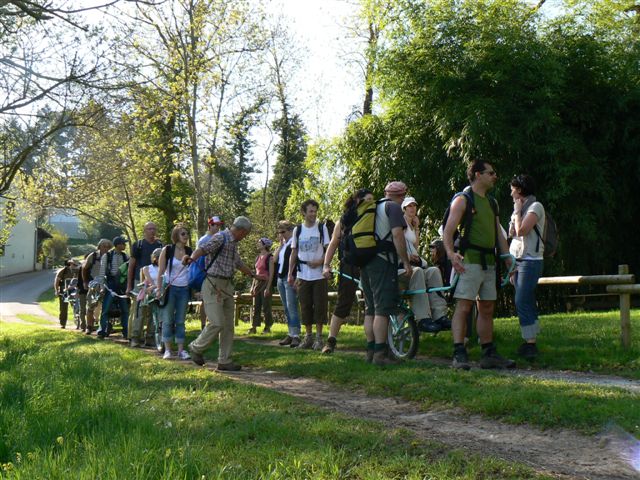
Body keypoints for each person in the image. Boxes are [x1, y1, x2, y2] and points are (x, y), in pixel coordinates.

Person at [443, 160, 515, 370]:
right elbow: (448, 232)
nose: (495, 176)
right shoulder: (463, 200)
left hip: (489, 262)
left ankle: (488, 353)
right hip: (469, 261)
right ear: (477, 174)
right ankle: (459, 352)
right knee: (464, 306)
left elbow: (498, 234)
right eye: (491, 173)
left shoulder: (492, 203)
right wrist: (451, 254)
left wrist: (507, 256)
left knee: (487, 307)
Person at [185, 216, 255, 371]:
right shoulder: (220, 237)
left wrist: (253, 274)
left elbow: (238, 263)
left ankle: (225, 360)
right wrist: (191, 259)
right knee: (217, 322)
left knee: (228, 326)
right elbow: (202, 249)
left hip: (227, 286)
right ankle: (196, 348)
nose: (245, 237)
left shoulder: (233, 244)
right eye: (246, 234)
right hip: (213, 284)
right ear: (242, 231)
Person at [361, 181, 413, 366]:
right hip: (382, 262)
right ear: (401, 195)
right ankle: (380, 355)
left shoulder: (373, 207)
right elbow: (397, 235)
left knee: (371, 310)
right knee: (382, 310)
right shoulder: (393, 208)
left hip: (365, 261)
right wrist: (405, 262)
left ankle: (370, 351)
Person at [321, 189, 374, 354]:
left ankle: (373, 344)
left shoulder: (374, 218)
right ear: (357, 201)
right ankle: (330, 341)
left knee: (371, 304)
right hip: (349, 265)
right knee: (344, 302)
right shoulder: (343, 221)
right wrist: (326, 265)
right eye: (367, 200)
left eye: (373, 200)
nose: (371, 203)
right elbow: (333, 244)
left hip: (369, 264)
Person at [509, 174, 545, 360]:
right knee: (526, 300)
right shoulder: (520, 208)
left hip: (531, 261)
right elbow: (512, 232)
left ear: (520, 190)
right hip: (517, 260)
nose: (511, 192)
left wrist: (516, 212)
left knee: (521, 300)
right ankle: (531, 341)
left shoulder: (535, 207)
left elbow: (522, 230)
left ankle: (529, 342)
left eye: (513, 189)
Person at [400, 196, 450, 333]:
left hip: (412, 263)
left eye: (414, 206)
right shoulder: (399, 223)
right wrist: (407, 256)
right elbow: (397, 245)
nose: (412, 208)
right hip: (400, 267)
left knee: (434, 271)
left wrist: (416, 228)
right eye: (409, 206)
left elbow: (414, 245)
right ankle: (422, 318)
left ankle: (440, 315)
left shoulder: (411, 224)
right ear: (403, 208)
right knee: (418, 272)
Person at [288, 199, 330, 350]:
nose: (313, 214)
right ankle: (308, 337)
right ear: (304, 212)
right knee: (305, 305)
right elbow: (293, 252)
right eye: (310, 211)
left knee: (319, 305)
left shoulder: (321, 227)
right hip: (302, 274)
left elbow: (328, 249)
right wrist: (290, 273)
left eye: (315, 211)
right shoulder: (297, 230)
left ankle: (319, 338)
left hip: (319, 275)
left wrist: (321, 262)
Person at [157, 225, 192, 360]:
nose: (186, 236)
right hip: (170, 288)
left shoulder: (189, 250)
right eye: (183, 234)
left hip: (184, 288)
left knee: (180, 321)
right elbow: (161, 271)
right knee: (167, 320)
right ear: (176, 235)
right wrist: (159, 289)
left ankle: (181, 350)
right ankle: (167, 350)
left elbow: (192, 269)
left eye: (187, 234)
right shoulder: (168, 250)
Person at [127, 222, 163, 348]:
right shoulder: (138, 245)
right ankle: (135, 337)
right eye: (149, 229)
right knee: (139, 311)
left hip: (157, 281)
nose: (152, 231)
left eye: (154, 228)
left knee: (155, 309)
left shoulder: (160, 245)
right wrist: (129, 285)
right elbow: (131, 266)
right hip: (140, 282)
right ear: (144, 230)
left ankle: (151, 337)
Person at [97, 236, 130, 339]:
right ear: (118, 245)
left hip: (122, 286)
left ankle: (126, 332)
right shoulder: (107, 256)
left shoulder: (126, 257)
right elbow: (102, 273)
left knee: (125, 310)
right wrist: (102, 287)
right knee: (106, 308)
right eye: (123, 243)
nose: (125, 245)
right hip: (110, 285)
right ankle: (102, 331)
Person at [274, 221, 301, 347]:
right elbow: (274, 259)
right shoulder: (284, 245)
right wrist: (280, 244)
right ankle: (290, 333)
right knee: (286, 307)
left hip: (290, 278)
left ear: (290, 231)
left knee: (292, 306)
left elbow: (296, 261)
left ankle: (296, 335)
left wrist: (295, 277)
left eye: (283, 232)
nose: (281, 234)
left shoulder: (294, 244)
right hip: (280, 278)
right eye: (279, 232)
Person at [197, 216, 225, 330]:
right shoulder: (205, 239)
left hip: (216, 274)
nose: (218, 227)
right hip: (206, 274)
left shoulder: (220, 238)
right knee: (206, 301)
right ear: (210, 225)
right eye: (215, 225)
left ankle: (213, 324)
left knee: (216, 300)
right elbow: (200, 258)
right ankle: (204, 325)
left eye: (219, 225)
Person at [81, 239, 112, 334]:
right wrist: (85, 282)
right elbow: (84, 269)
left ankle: (105, 327)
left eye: (108, 246)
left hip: (106, 285)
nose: (106, 248)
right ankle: (89, 327)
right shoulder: (93, 256)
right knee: (90, 305)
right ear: (99, 247)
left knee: (106, 306)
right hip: (94, 284)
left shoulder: (111, 256)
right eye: (104, 246)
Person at [248, 237, 275, 334]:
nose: (257, 244)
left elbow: (271, 274)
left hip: (266, 283)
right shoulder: (257, 257)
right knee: (256, 306)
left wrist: (268, 288)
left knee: (266, 306)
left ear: (265, 245)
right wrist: (252, 287)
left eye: (260, 243)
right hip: (257, 283)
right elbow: (255, 273)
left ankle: (267, 326)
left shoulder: (270, 257)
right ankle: (254, 326)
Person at [140, 248, 162, 351]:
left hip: (164, 293)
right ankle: (151, 337)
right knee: (154, 317)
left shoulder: (166, 268)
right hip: (153, 294)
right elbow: (150, 283)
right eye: (159, 257)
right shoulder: (147, 268)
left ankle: (162, 337)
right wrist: (154, 287)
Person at [54, 259, 79, 329]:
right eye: (74, 264)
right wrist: (56, 290)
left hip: (74, 290)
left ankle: (78, 322)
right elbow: (57, 281)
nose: (75, 266)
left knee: (76, 306)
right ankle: (63, 323)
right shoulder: (63, 271)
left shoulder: (78, 271)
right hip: (64, 291)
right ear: (70, 264)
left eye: (76, 265)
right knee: (63, 308)